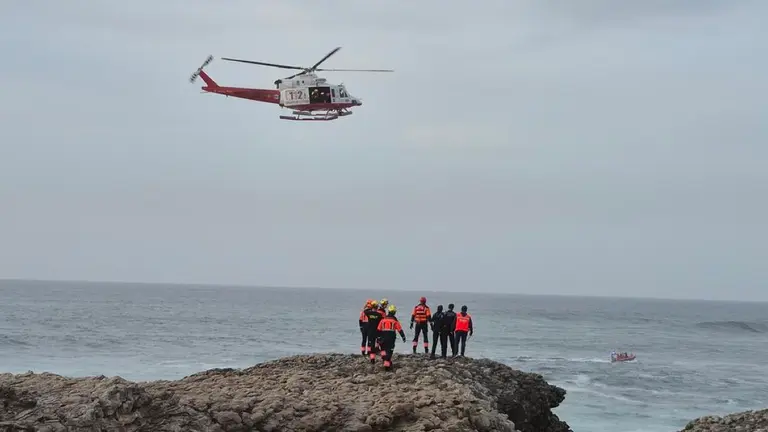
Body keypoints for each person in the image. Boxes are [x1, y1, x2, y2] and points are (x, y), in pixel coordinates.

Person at [377, 305, 407, 370]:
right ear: (394, 312)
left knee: (383, 349)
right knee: (389, 351)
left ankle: (384, 359)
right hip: (391, 337)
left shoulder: (383, 320)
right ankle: (387, 365)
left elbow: (378, 329)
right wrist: (403, 337)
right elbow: (399, 329)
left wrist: (378, 337)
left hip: (383, 336)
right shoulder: (394, 320)